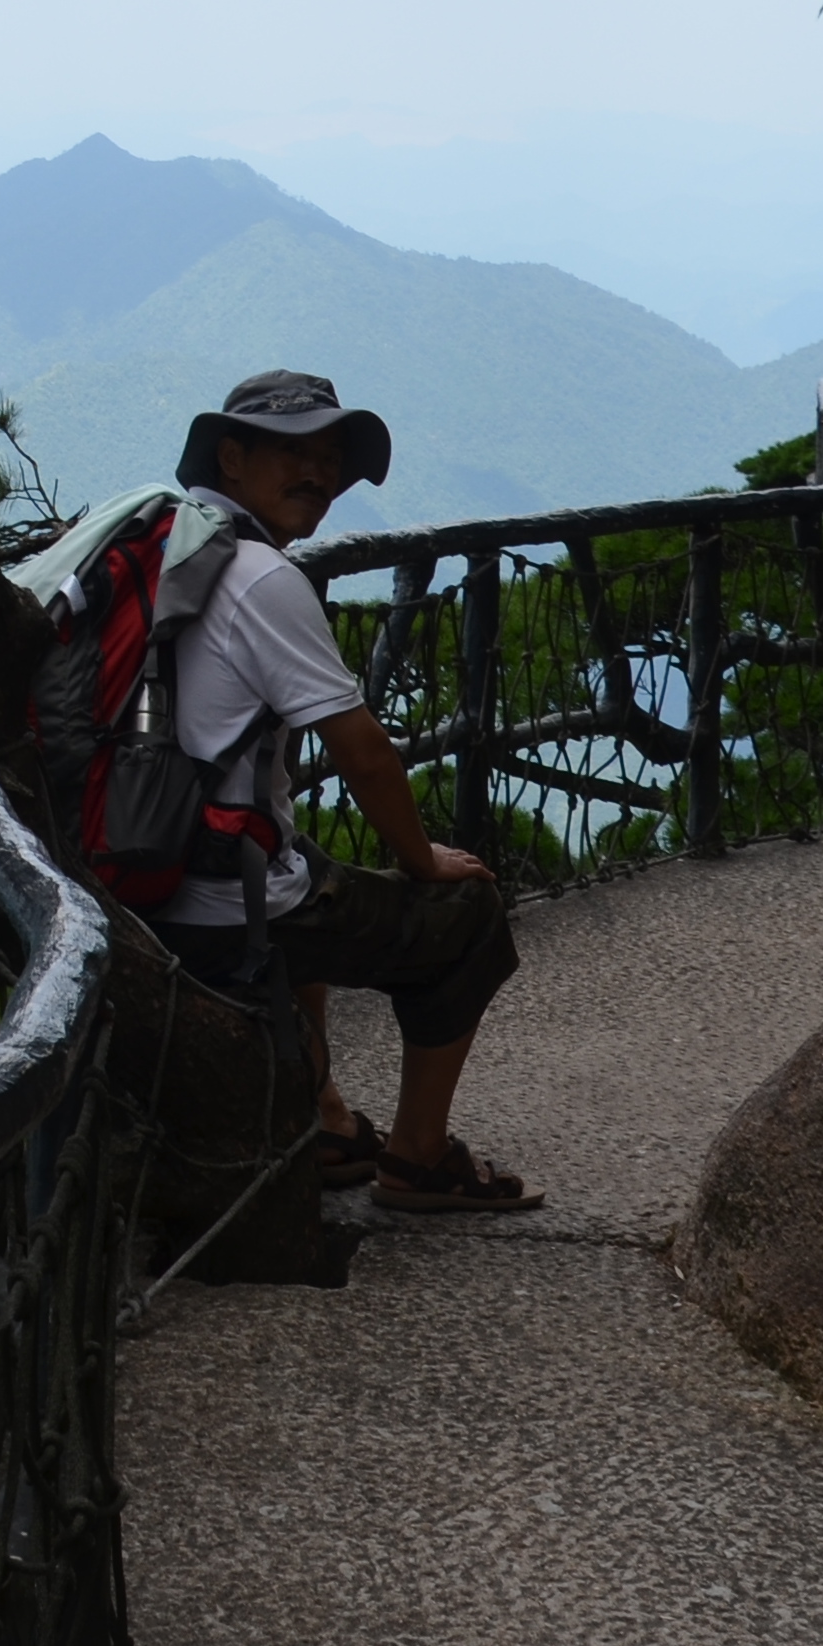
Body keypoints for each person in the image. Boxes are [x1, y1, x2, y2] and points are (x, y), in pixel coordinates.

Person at [150, 369, 538, 1215]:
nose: (317, 474)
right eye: (293, 453)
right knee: (466, 919)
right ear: (231, 457)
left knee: (301, 862)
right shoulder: (261, 578)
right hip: (219, 906)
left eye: (330, 458)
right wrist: (422, 862)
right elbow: (362, 753)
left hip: (146, 874)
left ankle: (324, 1123)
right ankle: (419, 1160)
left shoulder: (169, 550)